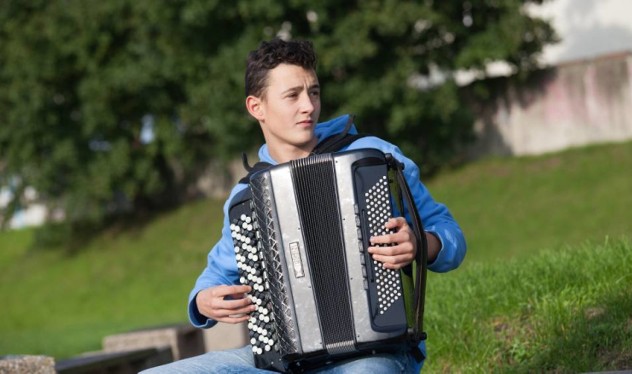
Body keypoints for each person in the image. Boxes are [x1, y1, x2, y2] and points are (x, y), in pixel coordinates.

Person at [144, 38, 466, 373]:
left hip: (374, 352)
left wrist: (419, 245)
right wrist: (203, 300)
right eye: (292, 95)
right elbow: (216, 275)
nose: (308, 106)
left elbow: (449, 233)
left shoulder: (374, 158)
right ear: (257, 108)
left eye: (313, 92)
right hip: (284, 361)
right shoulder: (248, 197)